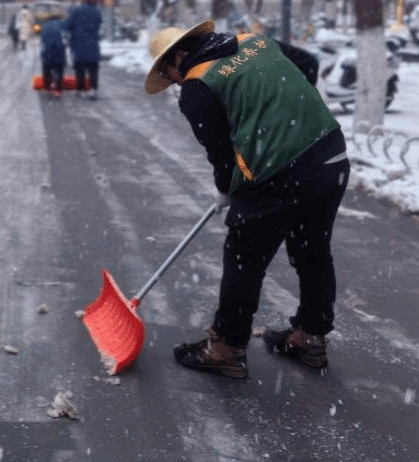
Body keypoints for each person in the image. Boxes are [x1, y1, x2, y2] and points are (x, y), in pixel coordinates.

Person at [144, 21, 350, 379]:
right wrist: (286, 113)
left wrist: (226, 188)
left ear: (179, 55)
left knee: (244, 256)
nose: (174, 81)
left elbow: (221, 153)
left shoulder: (197, 86)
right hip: (330, 155)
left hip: (278, 173)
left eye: (167, 73)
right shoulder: (253, 42)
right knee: (312, 249)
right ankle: (310, 337)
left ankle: (226, 347)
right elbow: (308, 63)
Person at [65, 0, 102, 98]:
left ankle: (80, 89)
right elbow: (98, 25)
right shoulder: (97, 12)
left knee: (79, 68)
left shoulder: (76, 11)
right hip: (92, 44)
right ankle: (93, 89)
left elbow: (68, 25)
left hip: (78, 44)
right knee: (93, 68)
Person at [39, 16, 66, 97]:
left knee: (46, 69)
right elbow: (65, 39)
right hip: (59, 52)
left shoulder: (45, 26)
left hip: (47, 52)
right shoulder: (62, 26)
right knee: (59, 70)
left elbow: (42, 39)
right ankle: (58, 90)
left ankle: (47, 88)